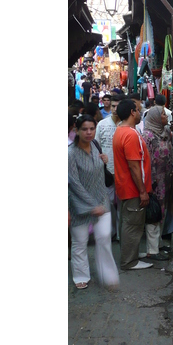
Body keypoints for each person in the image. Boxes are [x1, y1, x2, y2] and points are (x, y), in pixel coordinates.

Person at [68, 114, 120, 290]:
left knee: (105, 237)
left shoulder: (96, 146)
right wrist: (91, 205)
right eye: (84, 129)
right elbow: (73, 183)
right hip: (79, 205)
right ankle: (81, 275)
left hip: (101, 200)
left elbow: (100, 175)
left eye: (92, 129)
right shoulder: (70, 154)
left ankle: (108, 275)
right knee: (80, 242)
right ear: (76, 130)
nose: (89, 132)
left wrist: (104, 161)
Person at [112, 99, 154, 271]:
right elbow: (134, 166)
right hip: (132, 189)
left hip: (125, 186)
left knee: (129, 222)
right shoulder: (129, 134)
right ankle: (129, 261)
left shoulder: (121, 131)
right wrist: (143, 191)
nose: (139, 113)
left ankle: (131, 254)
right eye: (137, 110)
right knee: (132, 225)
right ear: (132, 112)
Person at [140, 106, 173, 260]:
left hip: (165, 180)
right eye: (162, 114)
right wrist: (148, 183)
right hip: (153, 181)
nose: (165, 115)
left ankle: (158, 244)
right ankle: (152, 250)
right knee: (153, 213)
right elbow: (143, 161)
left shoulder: (166, 132)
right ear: (154, 118)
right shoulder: (147, 136)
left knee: (162, 212)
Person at [95, 93, 124, 240]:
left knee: (121, 205)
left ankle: (120, 234)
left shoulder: (127, 126)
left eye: (118, 106)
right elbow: (97, 148)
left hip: (123, 172)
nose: (115, 109)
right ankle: (111, 232)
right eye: (113, 106)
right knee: (108, 205)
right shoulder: (102, 125)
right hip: (106, 172)